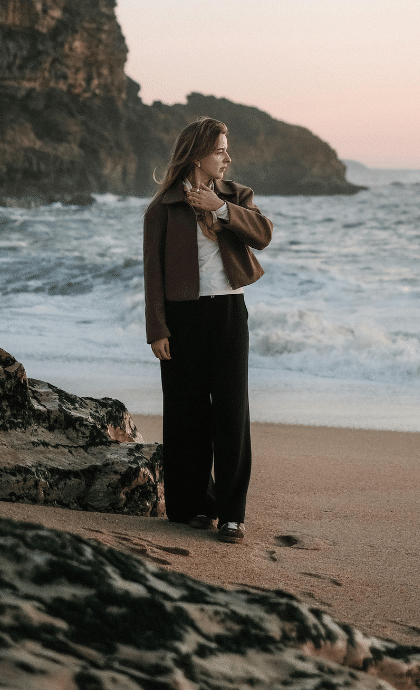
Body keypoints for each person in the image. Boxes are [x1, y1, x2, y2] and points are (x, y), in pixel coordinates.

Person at [143, 116, 273, 543]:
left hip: (229, 314)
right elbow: (153, 275)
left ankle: (232, 514)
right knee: (186, 414)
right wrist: (157, 329)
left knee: (232, 412)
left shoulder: (237, 197)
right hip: (181, 320)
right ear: (198, 155)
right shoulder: (163, 209)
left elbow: (263, 235)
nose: (227, 157)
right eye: (220, 150)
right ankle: (193, 505)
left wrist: (219, 209)